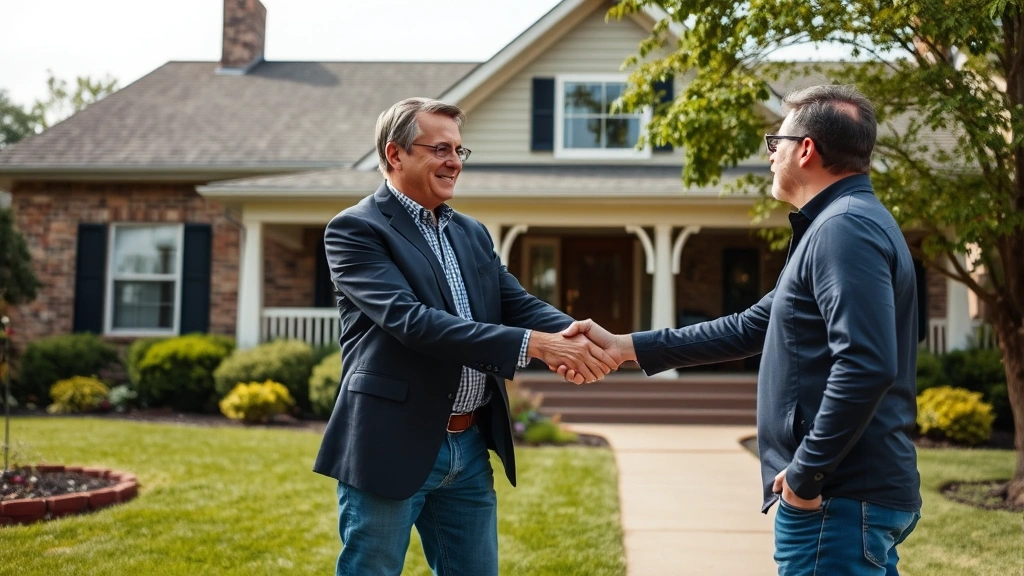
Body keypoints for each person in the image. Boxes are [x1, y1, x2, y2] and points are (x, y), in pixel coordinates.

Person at [561, 85, 922, 575]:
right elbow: (752, 326)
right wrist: (625, 347)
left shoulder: (844, 229)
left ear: (806, 149)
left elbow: (865, 363)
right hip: (848, 498)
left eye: (776, 143)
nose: (770, 156)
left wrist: (805, 476)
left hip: (837, 499)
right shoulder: (836, 226)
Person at [314, 97, 614, 576]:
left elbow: (515, 302)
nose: (454, 161)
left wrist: (579, 335)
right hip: (391, 441)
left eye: (459, 149)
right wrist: (535, 345)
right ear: (395, 155)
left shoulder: (470, 233)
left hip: (469, 444)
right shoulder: (356, 230)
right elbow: (413, 321)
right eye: (439, 149)